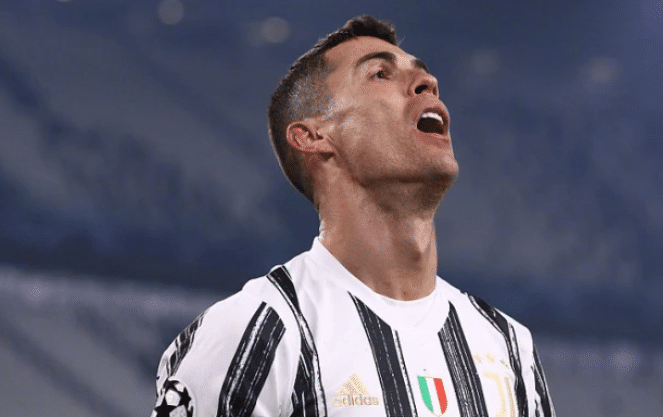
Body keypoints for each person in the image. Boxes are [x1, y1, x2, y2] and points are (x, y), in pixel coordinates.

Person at [151, 15, 555, 417]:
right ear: (313, 136)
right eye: (380, 74)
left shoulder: (508, 346)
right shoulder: (256, 331)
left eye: (424, 74)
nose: (428, 83)